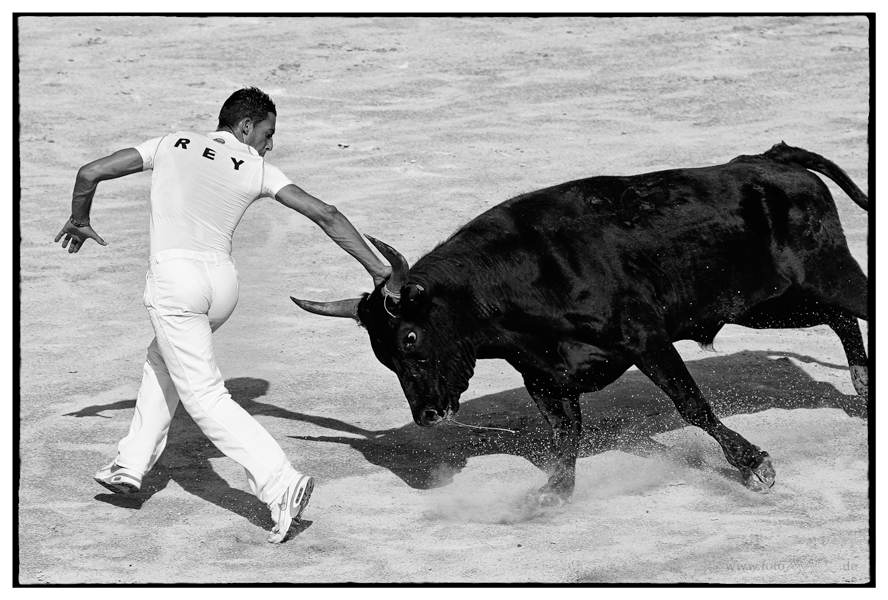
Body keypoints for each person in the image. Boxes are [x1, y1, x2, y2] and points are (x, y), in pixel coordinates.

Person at [54, 86, 391, 544]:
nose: (270, 145)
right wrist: (379, 270)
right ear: (246, 126)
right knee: (164, 358)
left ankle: (280, 482)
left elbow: (89, 172)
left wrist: (78, 218)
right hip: (222, 287)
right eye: (268, 133)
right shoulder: (257, 167)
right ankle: (129, 465)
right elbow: (326, 214)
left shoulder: (170, 142)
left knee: (206, 396)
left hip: (176, 282)